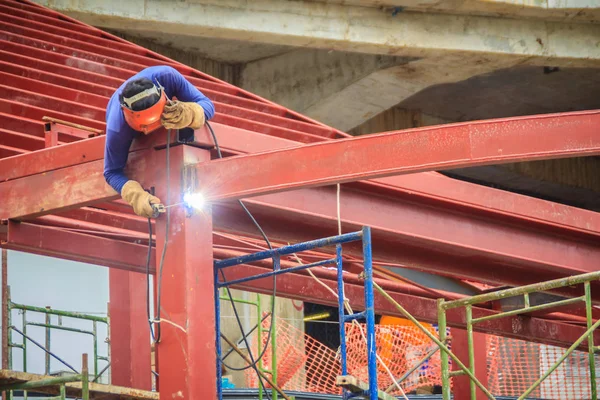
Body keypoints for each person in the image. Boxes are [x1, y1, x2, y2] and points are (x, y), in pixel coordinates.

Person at [103, 65, 215, 218]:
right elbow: (111, 172)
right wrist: (136, 196)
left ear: (163, 95)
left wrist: (190, 113)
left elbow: (207, 105)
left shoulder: (167, 77)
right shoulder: (117, 127)